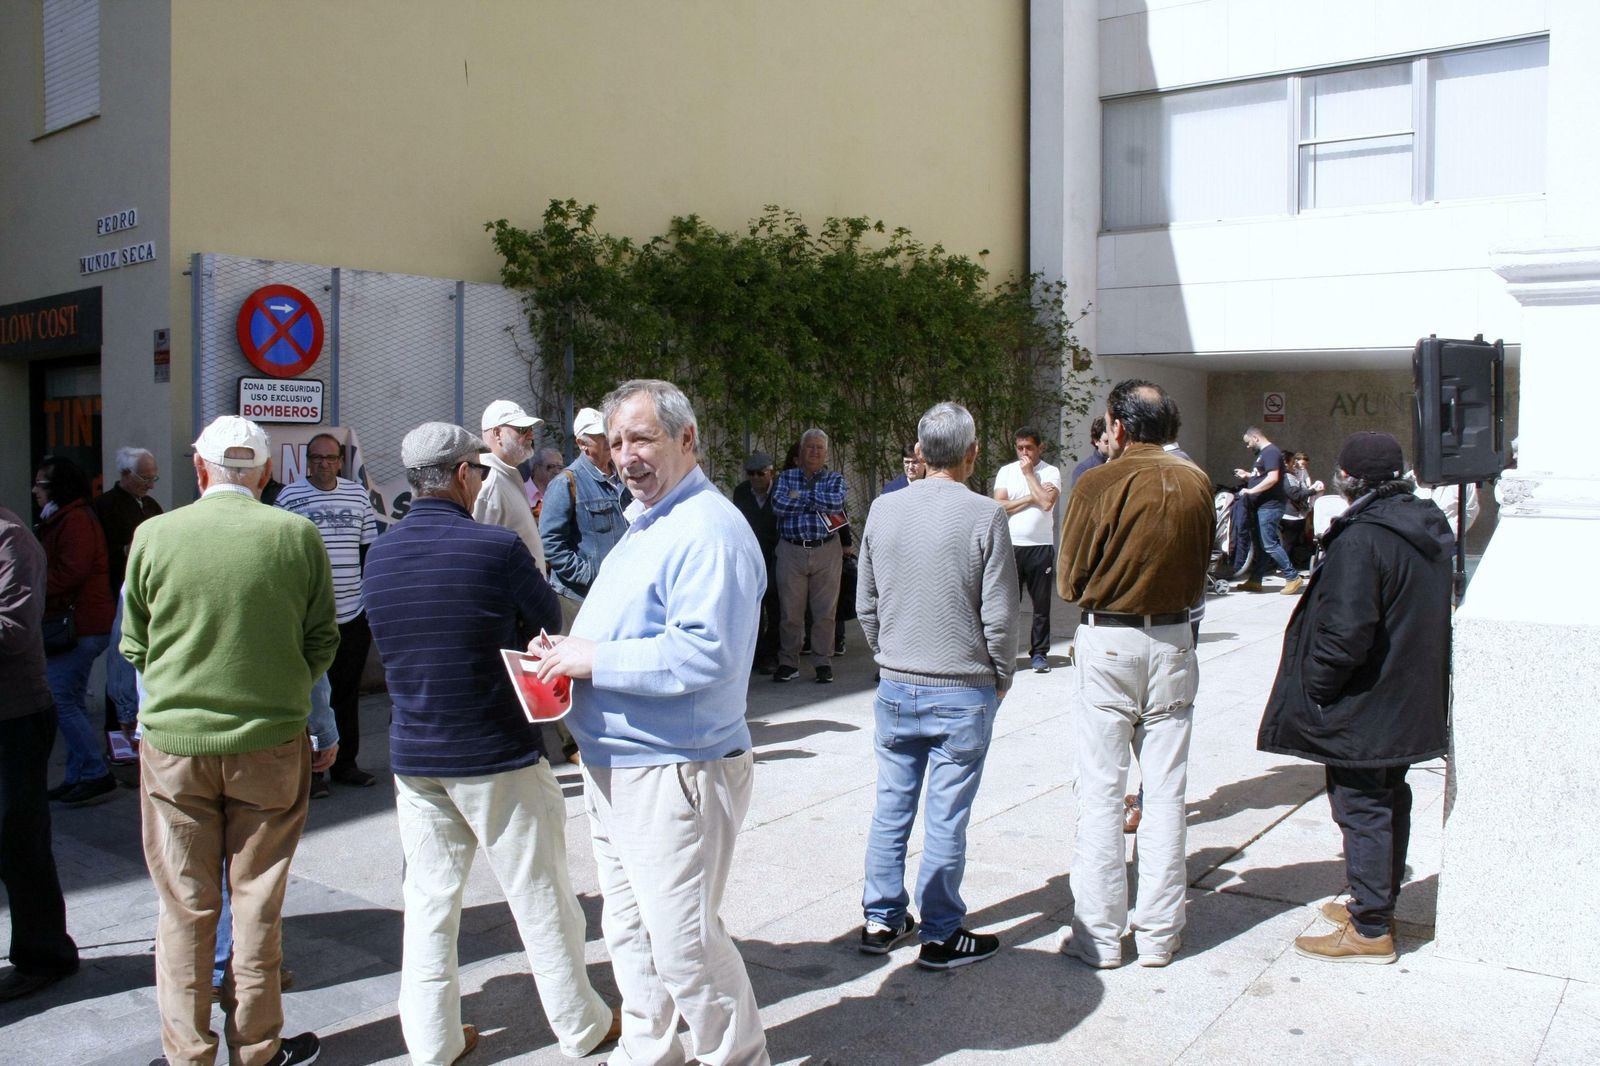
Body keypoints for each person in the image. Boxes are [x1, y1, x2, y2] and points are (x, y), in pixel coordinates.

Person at [364, 422, 620, 1065]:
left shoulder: (382, 554)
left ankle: (432, 1041)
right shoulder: (496, 548)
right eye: (475, 470)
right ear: (459, 475)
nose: (479, 479)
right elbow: (546, 622)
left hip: (416, 756)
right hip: (495, 749)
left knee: (427, 906)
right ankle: (581, 1025)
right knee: (541, 896)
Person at [532, 379, 770, 1066]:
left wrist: (591, 656)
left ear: (687, 440)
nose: (626, 456)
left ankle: (737, 1057)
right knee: (632, 935)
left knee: (686, 946)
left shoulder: (708, 529)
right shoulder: (653, 519)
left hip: (675, 770)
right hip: (623, 768)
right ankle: (650, 1054)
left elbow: (704, 654)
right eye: (616, 443)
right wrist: (566, 655)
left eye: (642, 438)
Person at [123, 415, 337, 1066]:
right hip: (271, 742)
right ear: (267, 473)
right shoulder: (297, 535)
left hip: (175, 747)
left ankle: (187, 1053)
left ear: (199, 469)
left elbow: (133, 643)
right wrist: (292, 700)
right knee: (258, 900)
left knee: (185, 908)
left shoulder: (153, 535)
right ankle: (257, 1047)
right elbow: (323, 639)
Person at [1259, 432, 1452, 965]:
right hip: (1405, 697)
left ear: (1349, 479)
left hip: (1366, 702)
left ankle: (1370, 929)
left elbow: (1345, 633)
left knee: (1361, 805)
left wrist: (1316, 687)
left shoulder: (1364, 536)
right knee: (1390, 800)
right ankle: (1374, 904)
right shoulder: (1424, 525)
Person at [856, 402, 1019, 969]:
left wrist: (888, 655)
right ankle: (941, 932)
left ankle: (881, 917)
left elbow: (866, 605)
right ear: (973, 454)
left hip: (898, 684)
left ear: (920, 453)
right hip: (962, 687)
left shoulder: (882, 509)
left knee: (892, 805)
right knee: (946, 815)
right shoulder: (985, 516)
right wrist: (1002, 676)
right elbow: (999, 615)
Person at [1056, 380, 1212, 969]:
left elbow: (1069, 582)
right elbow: (1203, 570)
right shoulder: (1196, 481)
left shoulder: (1099, 481)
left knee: (1100, 793)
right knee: (1167, 794)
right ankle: (1159, 935)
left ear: (1118, 426)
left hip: (1111, 640)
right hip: (1174, 638)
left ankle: (1099, 937)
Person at [0, 504, 80, 1003]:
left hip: (14, 717)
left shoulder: (11, 541)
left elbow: (15, 628)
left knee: (17, 839)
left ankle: (44, 954)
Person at [274, 431, 380, 796]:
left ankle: (346, 764)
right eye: (316, 458)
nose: (323, 464)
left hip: (353, 613)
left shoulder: (357, 495)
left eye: (330, 458)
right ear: (307, 462)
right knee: (310, 697)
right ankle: (313, 772)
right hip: (309, 618)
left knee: (346, 693)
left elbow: (369, 552)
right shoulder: (289, 497)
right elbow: (279, 556)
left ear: (340, 462)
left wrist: (368, 602)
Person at [32, 455, 116, 806]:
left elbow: (71, 573)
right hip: (79, 622)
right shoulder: (63, 518)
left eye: (42, 484)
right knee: (71, 699)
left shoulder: (75, 520)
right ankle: (76, 775)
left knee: (60, 699)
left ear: (57, 488)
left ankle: (95, 771)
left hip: (80, 624)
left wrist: (32, 585)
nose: (35, 490)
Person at [92, 446, 164, 740]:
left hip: (148, 593)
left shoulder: (150, 505)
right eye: (144, 478)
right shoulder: (105, 506)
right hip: (116, 591)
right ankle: (117, 736)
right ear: (125, 474)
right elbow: (98, 553)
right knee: (121, 661)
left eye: (153, 478)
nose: (149, 484)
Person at [539, 405, 631, 626]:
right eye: (601, 436)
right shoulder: (565, 483)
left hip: (619, 592)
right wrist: (587, 574)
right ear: (582, 444)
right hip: (579, 598)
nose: (609, 440)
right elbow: (551, 543)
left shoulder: (622, 479)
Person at [772, 428, 847, 684]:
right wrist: (816, 501)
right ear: (801, 452)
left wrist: (801, 496)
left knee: (825, 611)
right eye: (809, 447)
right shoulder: (786, 477)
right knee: (790, 612)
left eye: (819, 448)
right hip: (791, 549)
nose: (814, 451)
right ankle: (788, 662)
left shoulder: (835, 478)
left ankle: (822, 663)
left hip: (826, 549)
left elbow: (836, 503)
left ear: (825, 453)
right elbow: (779, 505)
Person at [993, 425, 1062, 674]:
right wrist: (1030, 497)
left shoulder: (1050, 472)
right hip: (1012, 546)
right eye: (1020, 448)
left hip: (1040, 547)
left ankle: (1040, 654)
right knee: (1009, 605)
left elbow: (1045, 502)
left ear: (1039, 447)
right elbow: (999, 506)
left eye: (1029, 448)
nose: (1024, 453)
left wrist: (1030, 475)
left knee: (1041, 605)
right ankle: (1008, 654)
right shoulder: (1006, 472)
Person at [475, 399, 546, 568]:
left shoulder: (505, 475)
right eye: (522, 430)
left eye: (530, 429)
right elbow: (477, 556)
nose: (531, 435)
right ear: (497, 433)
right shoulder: (488, 482)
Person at [1233, 426, 1303, 595]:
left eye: (1248, 442)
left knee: (1270, 544)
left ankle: (1292, 576)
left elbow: (1272, 479)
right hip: (1263, 506)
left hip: (1269, 506)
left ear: (1255, 438)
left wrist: (1251, 490)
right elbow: (1264, 476)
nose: (1248, 446)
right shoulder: (1265, 454)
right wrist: (1248, 476)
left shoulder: (1271, 452)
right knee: (1263, 545)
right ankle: (1256, 580)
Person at [732, 451, 780, 674]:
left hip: (777, 554)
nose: (756, 478)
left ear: (771, 473)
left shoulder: (781, 491)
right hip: (750, 555)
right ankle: (755, 654)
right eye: (751, 474)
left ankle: (770, 654)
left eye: (761, 473)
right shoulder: (741, 492)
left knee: (777, 605)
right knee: (753, 607)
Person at [1281, 452, 1324, 571]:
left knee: (1293, 542)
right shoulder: (1287, 477)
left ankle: (1289, 566)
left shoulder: (1292, 475)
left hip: (1297, 514)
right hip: (1292, 515)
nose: (1295, 465)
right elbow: (1295, 495)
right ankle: (1285, 567)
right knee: (1289, 542)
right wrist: (1313, 491)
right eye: (1292, 462)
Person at [520, 445, 566, 518]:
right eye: (551, 466)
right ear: (536, 468)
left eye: (560, 467)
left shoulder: (563, 492)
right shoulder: (521, 492)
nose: (557, 471)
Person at [1069, 416, 1110, 487]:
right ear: (1096, 441)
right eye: (1107, 442)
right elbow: (1079, 496)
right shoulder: (1084, 469)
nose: (1111, 445)